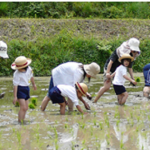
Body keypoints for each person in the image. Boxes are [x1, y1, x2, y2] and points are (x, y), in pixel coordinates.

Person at [93, 37, 140, 103]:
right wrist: (108, 73)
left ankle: (120, 105)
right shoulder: (119, 50)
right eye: (133, 50)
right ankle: (94, 101)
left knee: (119, 87)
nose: (134, 52)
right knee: (107, 87)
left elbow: (130, 68)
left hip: (119, 70)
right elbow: (110, 62)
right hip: (110, 68)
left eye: (135, 51)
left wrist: (133, 79)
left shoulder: (132, 55)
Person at [11, 56, 37, 123]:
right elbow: (15, 85)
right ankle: (20, 122)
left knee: (26, 108)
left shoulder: (29, 69)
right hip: (20, 89)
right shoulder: (16, 74)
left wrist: (34, 84)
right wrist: (15, 96)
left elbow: (31, 77)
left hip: (26, 88)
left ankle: (22, 120)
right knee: (23, 107)